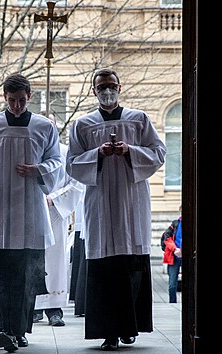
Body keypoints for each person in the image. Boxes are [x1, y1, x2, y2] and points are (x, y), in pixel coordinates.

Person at [66, 67, 166, 351]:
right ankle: (108, 332)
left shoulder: (139, 119)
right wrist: (97, 154)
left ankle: (129, 328)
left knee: (131, 264)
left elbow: (158, 152)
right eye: (101, 87)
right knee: (104, 267)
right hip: (99, 204)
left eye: (111, 85)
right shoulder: (83, 124)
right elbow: (71, 163)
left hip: (131, 201)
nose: (106, 91)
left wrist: (130, 151)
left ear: (120, 87)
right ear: (93, 91)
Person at [0, 73, 64, 352]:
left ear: (30, 96)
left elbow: (56, 161)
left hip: (31, 205)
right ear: (4, 98)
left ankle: (19, 330)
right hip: (0, 207)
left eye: (22, 100)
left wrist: (39, 170)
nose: (17, 106)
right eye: (11, 101)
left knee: (26, 275)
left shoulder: (44, 126)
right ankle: (1, 328)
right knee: (0, 272)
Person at [33, 111, 85, 326]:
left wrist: (54, 199)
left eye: (51, 124)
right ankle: (34, 306)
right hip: (33, 212)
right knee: (34, 260)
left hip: (55, 212)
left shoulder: (65, 152)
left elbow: (76, 183)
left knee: (55, 260)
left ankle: (54, 309)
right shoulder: (32, 151)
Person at [161, 207, 182, 303]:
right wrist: (175, 249)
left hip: (188, 257)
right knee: (172, 285)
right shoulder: (175, 224)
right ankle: (172, 303)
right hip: (174, 256)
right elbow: (166, 237)